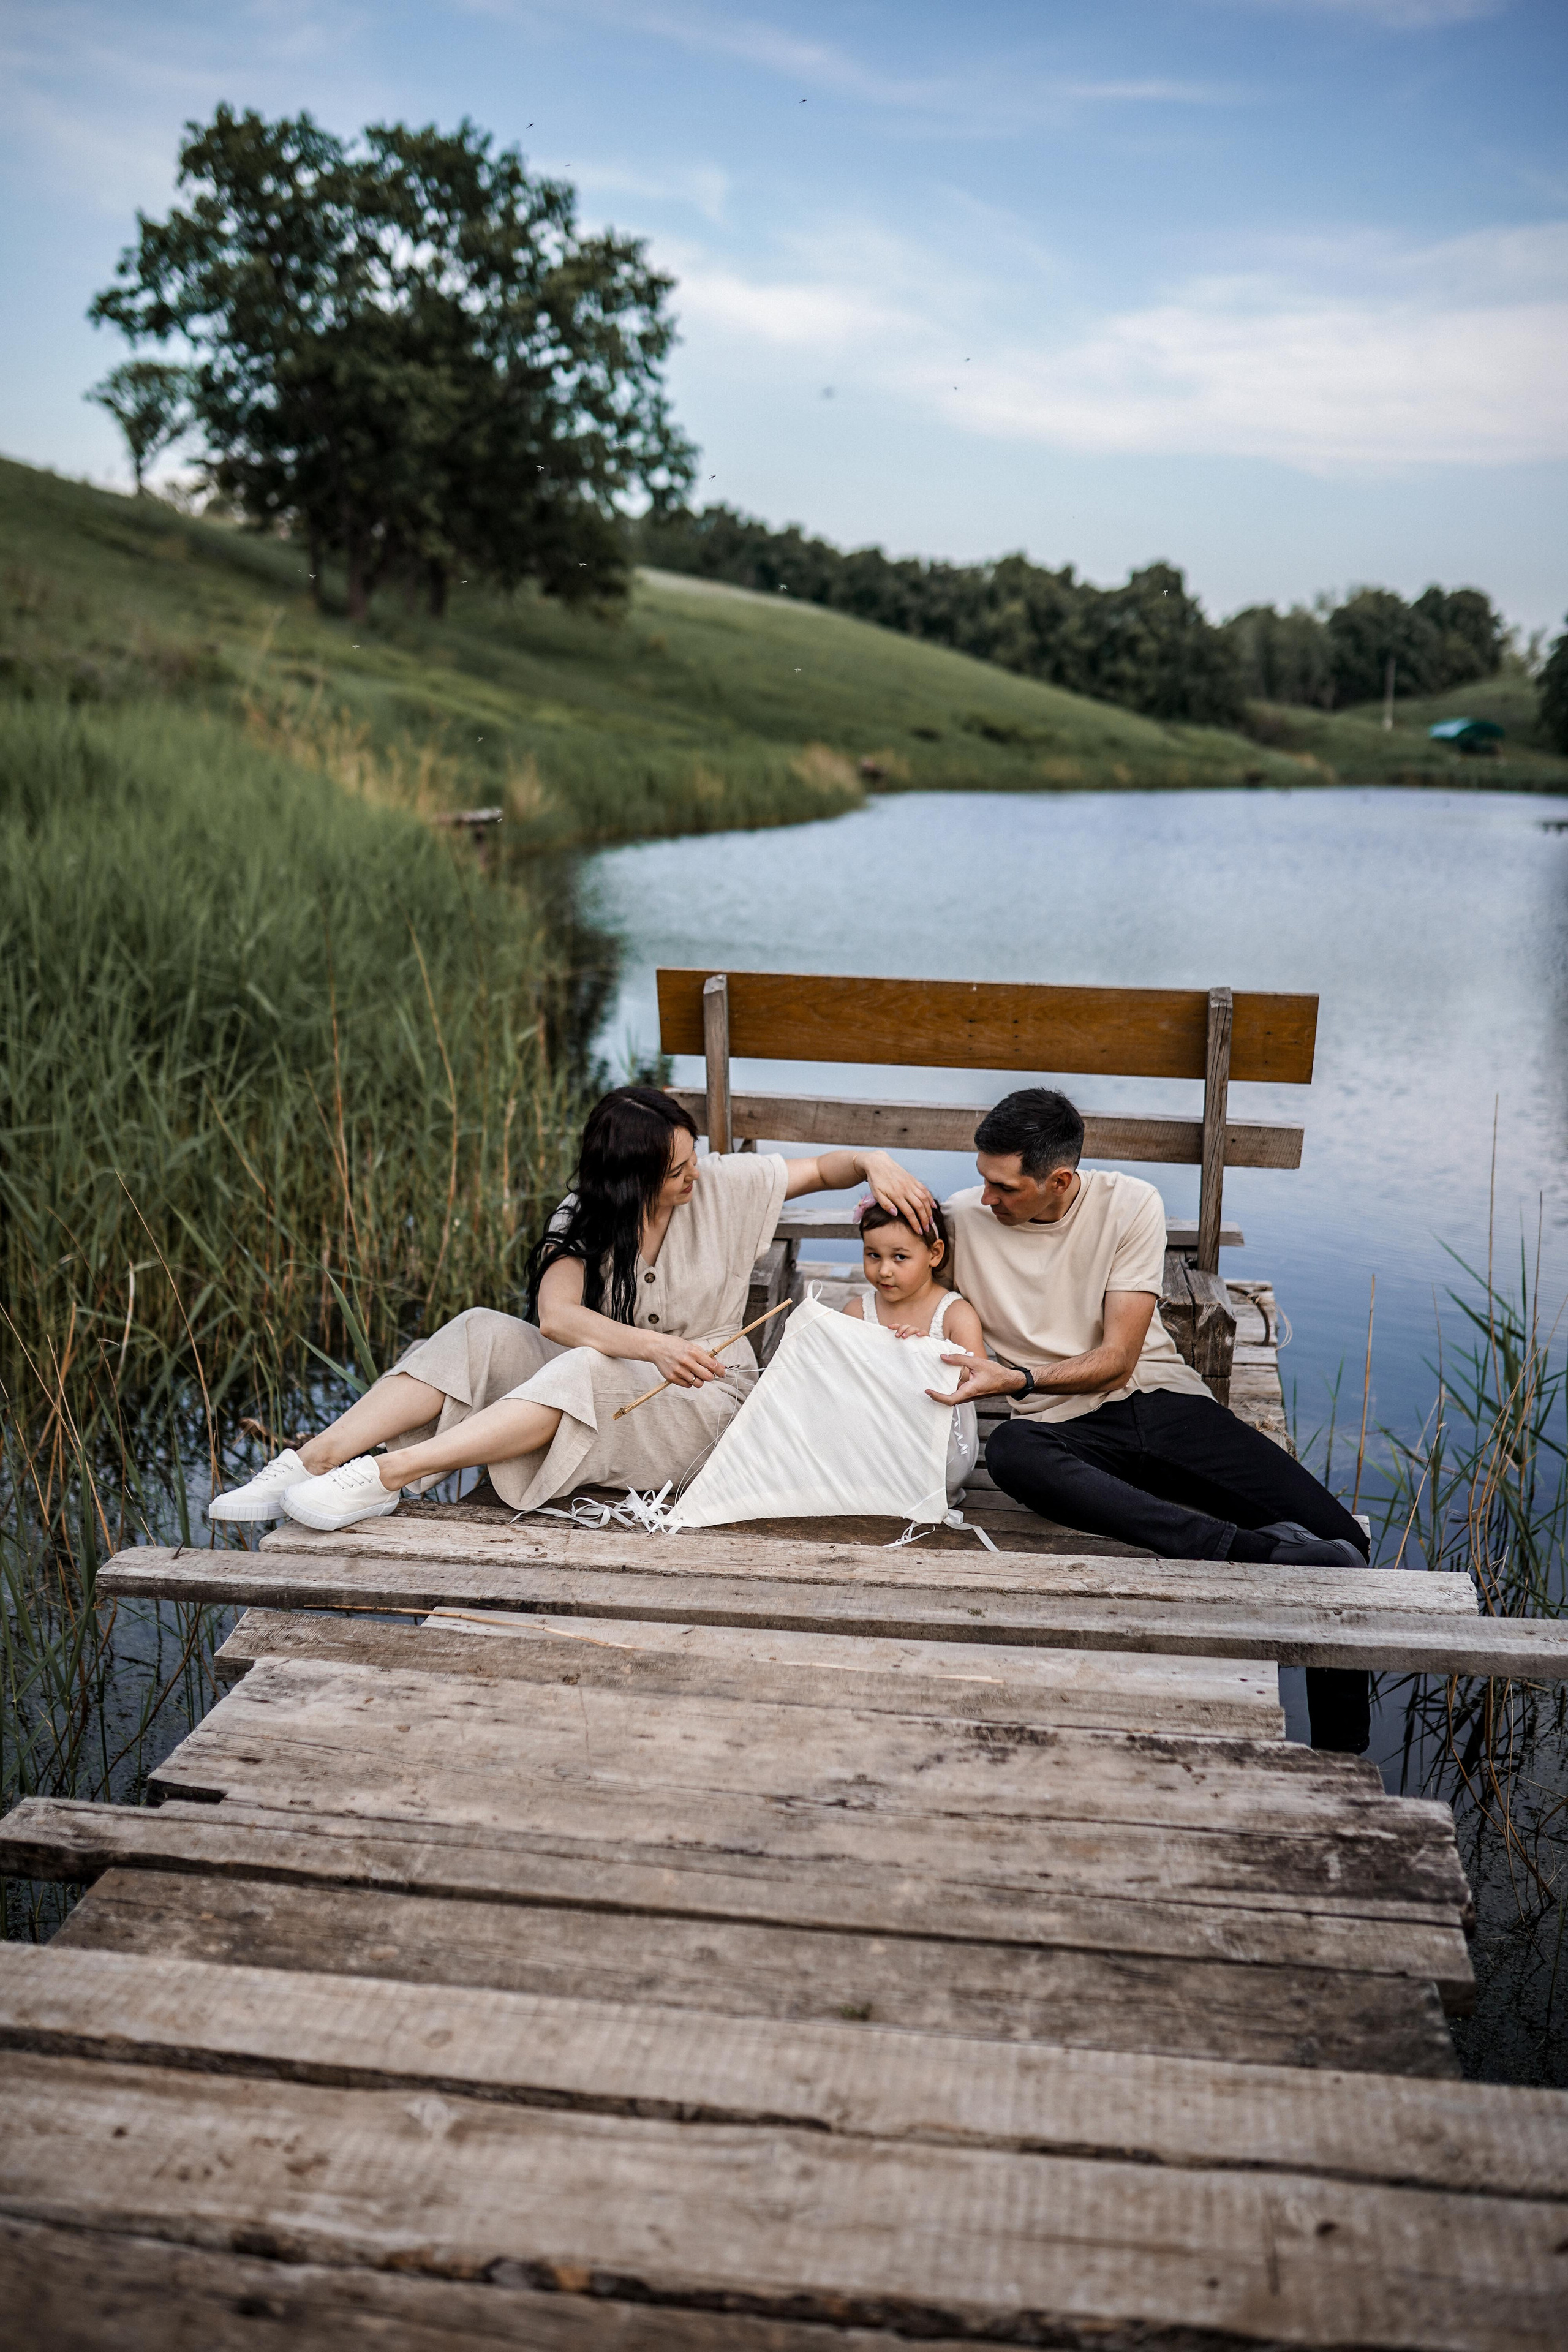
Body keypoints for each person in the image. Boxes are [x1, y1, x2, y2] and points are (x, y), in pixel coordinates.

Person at [208, 1084, 937, 1535]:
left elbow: (824, 1170)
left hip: (705, 1401)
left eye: (692, 1160)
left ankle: (386, 1477)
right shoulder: (586, 1214)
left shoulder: (725, 1184)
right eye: (676, 1171)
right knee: (479, 1331)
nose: (694, 1177)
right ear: (628, 1180)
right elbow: (554, 1317)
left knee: (587, 1367)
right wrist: (648, 1347)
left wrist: (873, 1163)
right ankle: (313, 1458)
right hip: (618, 1372)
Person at [925, 1087, 1373, 1753]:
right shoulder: (962, 1218)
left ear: (1059, 1181)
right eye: (981, 1180)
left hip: (1161, 1402)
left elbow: (1115, 1359)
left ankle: (1342, 1753)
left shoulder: (1129, 1202)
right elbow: (896, 1275)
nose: (986, 1199)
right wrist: (879, 1181)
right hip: (1060, 1430)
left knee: (1345, 1543)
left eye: (1003, 1187)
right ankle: (1252, 1551)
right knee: (1015, 1450)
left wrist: (1015, 1376)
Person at [841, 1196, 984, 1498]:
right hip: (872, 1433)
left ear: (934, 1253)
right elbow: (839, 1378)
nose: (884, 1271)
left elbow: (980, 1378)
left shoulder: (954, 1313)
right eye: (873, 1255)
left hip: (936, 1441)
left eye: (900, 1257)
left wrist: (927, 1355)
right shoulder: (857, 1312)